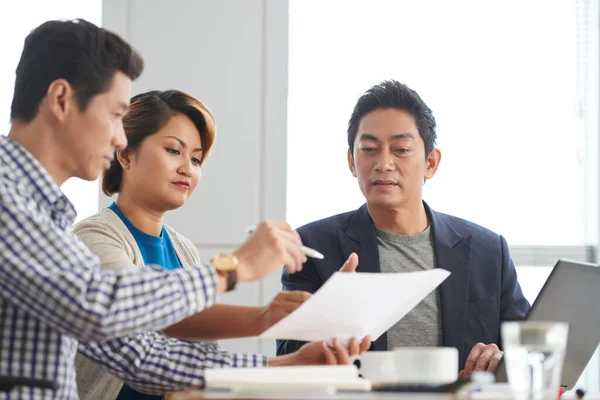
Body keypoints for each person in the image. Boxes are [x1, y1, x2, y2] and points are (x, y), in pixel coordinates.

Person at [0, 19, 357, 399]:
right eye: (115, 115)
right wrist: (233, 268)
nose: (120, 136)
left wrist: (289, 367)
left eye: (197, 158)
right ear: (61, 100)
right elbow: (100, 304)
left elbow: (140, 355)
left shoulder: (47, 221)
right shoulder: (9, 200)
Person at [73, 89, 371, 399]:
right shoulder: (95, 237)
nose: (188, 168)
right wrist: (250, 293)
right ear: (125, 154)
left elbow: (190, 340)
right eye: (173, 150)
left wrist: (282, 340)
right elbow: (144, 327)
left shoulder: (182, 248)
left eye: (196, 158)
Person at [277, 80, 531, 379]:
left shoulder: (488, 250)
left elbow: (531, 351)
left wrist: (504, 360)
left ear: (431, 163)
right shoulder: (312, 246)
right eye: (369, 148)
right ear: (351, 161)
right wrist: (334, 312)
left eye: (401, 149)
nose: (384, 163)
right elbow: (288, 362)